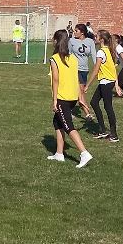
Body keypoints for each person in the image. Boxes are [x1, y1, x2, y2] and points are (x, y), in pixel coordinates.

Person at [46, 30, 92, 168]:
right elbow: (77, 79)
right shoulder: (73, 58)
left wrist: (55, 100)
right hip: (72, 97)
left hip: (63, 97)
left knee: (68, 126)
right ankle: (59, 154)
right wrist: (80, 97)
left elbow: (55, 80)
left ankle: (84, 153)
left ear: (56, 41)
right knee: (57, 122)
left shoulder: (54, 59)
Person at [86, 30, 121, 142]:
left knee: (108, 107)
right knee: (94, 102)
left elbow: (95, 71)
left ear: (101, 39)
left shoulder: (101, 52)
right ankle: (103, 130)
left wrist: (87, 85)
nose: (94, 37)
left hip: (106, 82)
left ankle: (114, 134)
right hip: (107, 82)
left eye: (96, 36)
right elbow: (113, 70)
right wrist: (116, 84)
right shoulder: (108, 50)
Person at [68, 24, 96, 119]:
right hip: (75, 69)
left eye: (76, 31)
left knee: (78, 92)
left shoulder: (90, 41)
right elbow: (69, 54)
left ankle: (67, 110)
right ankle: (87, 114)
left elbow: (94, 55)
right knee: (81, 91)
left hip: (85, 70)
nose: (74, 32)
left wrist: (97, 67)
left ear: (82, 32)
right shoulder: (71, 41)